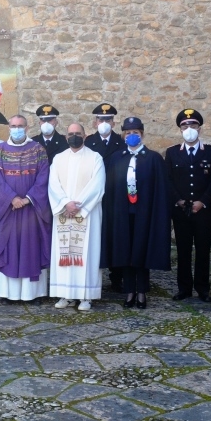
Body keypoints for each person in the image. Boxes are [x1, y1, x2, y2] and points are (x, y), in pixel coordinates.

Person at [101, 117, 171, 309]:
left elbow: (161, 189)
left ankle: (141, 292)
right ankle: (129, 291)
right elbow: (111, 188)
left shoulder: (153, 159)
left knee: (141, 251)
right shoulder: (117, 158)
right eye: (128, 133)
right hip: (123, 214)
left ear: (142, 134)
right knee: (126, 251)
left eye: (136, 133)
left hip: (145, 213)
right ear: (123, 135)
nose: (132, 136)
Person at [0, 115, 52, 304]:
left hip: (32, 209)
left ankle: (32, 294)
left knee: (31, 249)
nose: (16, 129)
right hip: (7, 210)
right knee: (8, 249)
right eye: (13, 125)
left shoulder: (38, 149)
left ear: (27, 127)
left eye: (20, 126)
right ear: (8, 127)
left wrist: (27, 199)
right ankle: (9, 294)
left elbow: (43, 177)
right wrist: (12, 198)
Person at [48, 123, 106, 310]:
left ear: (85, 135)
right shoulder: (58, 159)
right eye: (71, 134)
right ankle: (65, 294)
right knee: (64, 254)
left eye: (78, 133)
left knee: (85, 255)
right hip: (64, 213)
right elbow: (53, 184)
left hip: (86, 215)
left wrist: (78, 205)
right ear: (66, 137)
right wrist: (65, 203)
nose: (74, 136)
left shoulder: (95, 158)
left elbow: (97, 185)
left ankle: (85, 296)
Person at [166, 109, 211, 303]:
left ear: (199, 127)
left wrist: (203, 201)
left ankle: (203, 288)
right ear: (180, 129)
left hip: (203, 211)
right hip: (181, 211)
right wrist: (178, 200)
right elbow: (168, 180)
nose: (189, 129)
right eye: (185, 125)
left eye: (193, 125)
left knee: (203, 250)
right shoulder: (172, 153)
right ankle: (184, 288)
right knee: (183, 250)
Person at [84, 102, 124, 292]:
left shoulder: (121, 142)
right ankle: (93, 275)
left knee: (115, 236)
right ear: (95, 122)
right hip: (94, 198)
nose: (104, 122)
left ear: (114, 123)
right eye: (101, 119)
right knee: (95, 236)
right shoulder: (89, 143)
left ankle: (117, 277)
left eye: (108, 119)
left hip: (115, 197)